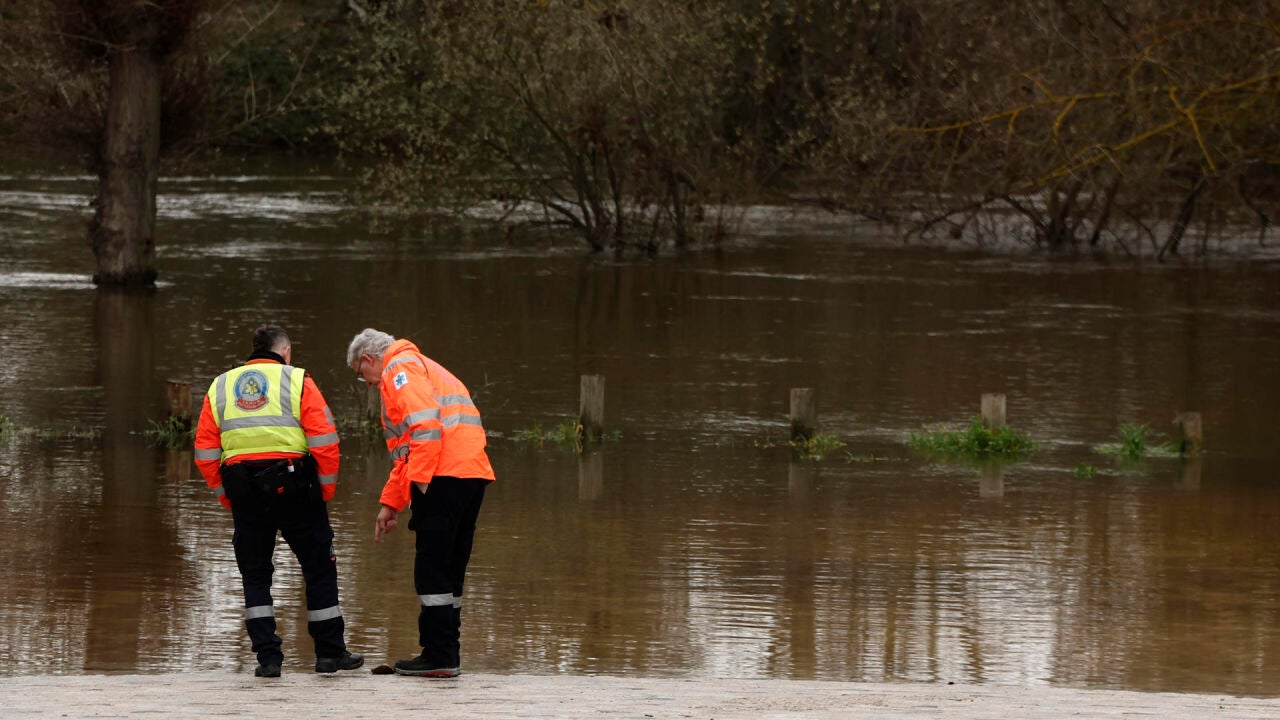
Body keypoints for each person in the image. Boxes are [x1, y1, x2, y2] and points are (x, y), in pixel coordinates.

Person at [193, 325, 363, 678]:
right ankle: (329, 655)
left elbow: (205, 451)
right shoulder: (297, 380)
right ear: (286, 352)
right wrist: (325, 492)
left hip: (243, 489)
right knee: (318, 566)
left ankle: (268, 659)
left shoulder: (220, 386)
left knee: (255, 574)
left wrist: (226, 496)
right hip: (296, 486)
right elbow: (325, 442)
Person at [346, 327, 495, 678]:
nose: (367, 383)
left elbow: (425, 430)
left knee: (431, 568)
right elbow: (406, 455)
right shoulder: (426, 367)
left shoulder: (399, 370)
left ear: (369, 359)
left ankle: (438, 655)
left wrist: (422, 488)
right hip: (470, 475)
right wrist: (391, 503)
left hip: (442, 477)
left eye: (361, 374)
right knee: (450, 569)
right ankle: (446, 653)